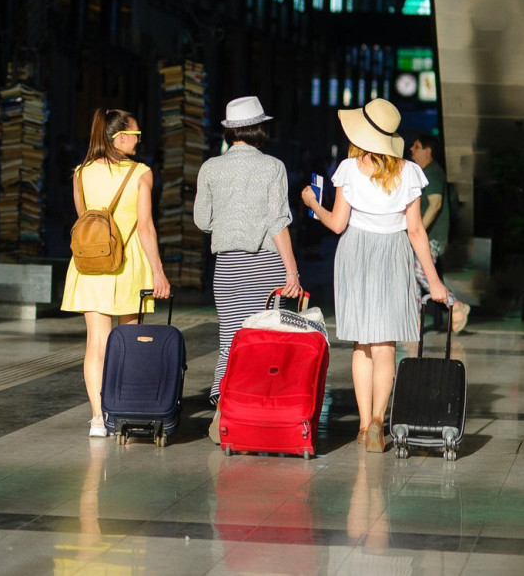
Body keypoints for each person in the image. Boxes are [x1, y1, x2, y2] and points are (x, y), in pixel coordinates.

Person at [301, 98, 448, 453]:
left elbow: (337, 224)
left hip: (355, 254)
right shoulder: (410, 172)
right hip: (394, 253)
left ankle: (365, 422)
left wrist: (312, 204)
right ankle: (381, 418)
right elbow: (416, 232)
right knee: (385, 345)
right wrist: (436, 281)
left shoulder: (350, 169)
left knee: (362, 344)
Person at [194, 96, 303, 443]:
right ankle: (257, 410)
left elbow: (202, 221)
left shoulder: (210, 167)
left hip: (227, 267)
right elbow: (277, 222)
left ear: (229, 131)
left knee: (230, 341)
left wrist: (230, 221)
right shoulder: (273, 167)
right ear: (260, 128)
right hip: (266, 266)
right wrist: (292, 272)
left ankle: (223, 409)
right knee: (263, 341)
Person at [60, 108, 171, 438]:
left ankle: (97, 418)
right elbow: (147, 228)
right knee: (129, 343)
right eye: (135, 135)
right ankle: (123, 409)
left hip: (91, 263)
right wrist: (159, 273)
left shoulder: (80, 172)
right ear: (120, 137)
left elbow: (87, 223)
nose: (139, 140)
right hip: (128, 264)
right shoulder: (141, 173)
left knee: (96, 342)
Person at [409, 134, 470, 332]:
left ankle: (455, 304)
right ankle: (415, 320)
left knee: (420, 272)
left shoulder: (432, 172)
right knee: (414, 275)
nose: (412, 149)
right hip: (426, 235)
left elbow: (435, 205)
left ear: (428, 150)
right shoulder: (425, 172)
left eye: (417, 146)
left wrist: (417, 232)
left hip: (431, 236)